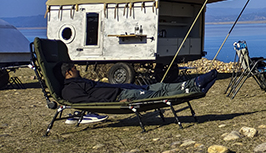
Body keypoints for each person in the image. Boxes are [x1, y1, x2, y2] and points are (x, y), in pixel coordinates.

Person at [59, 62, 217, 103]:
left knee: (160, 86)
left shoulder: (79, 82)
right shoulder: (70, 90)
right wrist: (116, 103)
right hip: (120, 96)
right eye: (74, 68)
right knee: (156, 94)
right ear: (68, 73)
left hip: (125, 88)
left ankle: (194, 83)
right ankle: (194, 88)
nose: (78, 69)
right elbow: (89, 102)